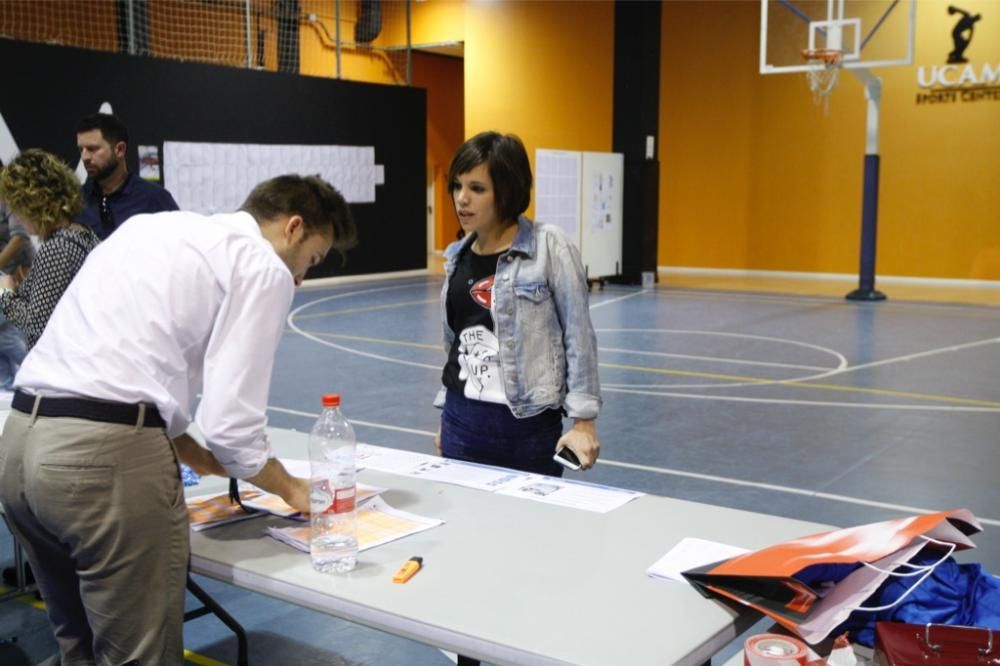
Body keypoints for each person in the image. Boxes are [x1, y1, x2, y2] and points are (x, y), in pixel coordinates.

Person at [0, 173, 357, 665]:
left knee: (77, 648)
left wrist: (188, 449)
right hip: (102, 467)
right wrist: (294, 489)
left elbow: (123, 363)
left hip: (21, 444)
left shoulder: (150, 230)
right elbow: (233, 427)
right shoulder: (261, 263)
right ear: (293, 228)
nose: (299, 278)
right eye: (311, 261)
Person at [434, 131, 602, 479]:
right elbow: (455, 343)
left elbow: (579, 335)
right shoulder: (456, 256)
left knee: (532, 531)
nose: (461, 199)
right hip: (460, 421)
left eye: (477, 189)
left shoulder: (549, 247)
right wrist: (446, 419)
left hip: (527, 429)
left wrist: (583, 421)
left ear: (506, 191)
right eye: (457, 186)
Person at [0, 149, 100, 350]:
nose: (17, 217)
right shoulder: (84, 234)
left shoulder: (57, 249)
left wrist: (5, 293)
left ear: (33, 203)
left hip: (63, 363)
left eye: (17, 206)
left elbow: (37, 328)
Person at [76, 112, 179, 239]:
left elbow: (179, 250)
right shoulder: (75, 201)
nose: (84, 157)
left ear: (120, 150)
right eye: (81, 150)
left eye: (92, 149)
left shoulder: (155, 199)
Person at [0, 158, 34, 390]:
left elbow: (20, 237)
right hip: (4, 276)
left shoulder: (9, 196)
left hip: (15, 275)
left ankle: (37, 378)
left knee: (11, 336)